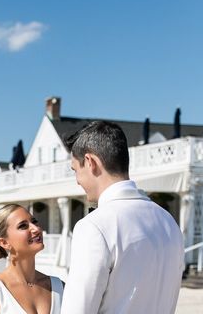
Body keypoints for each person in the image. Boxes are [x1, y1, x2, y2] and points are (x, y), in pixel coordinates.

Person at [60, 121, 184, 314]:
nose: (77, 181)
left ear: (90, 162)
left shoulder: (94, 227)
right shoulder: (168, 222)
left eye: (75, 170)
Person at [0, 204, 63, 314]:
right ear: (4, 243)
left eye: (34, 221)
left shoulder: (60, 287)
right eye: (23, 226)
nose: (36, 229)